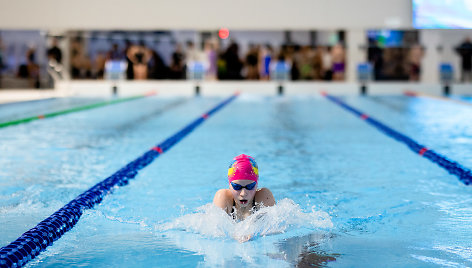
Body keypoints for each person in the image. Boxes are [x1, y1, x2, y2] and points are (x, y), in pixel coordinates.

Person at [213, 154, 275, 221]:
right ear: (229, 184)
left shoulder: (264, 196)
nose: (243, 193)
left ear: (257, 184)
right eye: (237, 187)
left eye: (250, 186)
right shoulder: (223, 197)